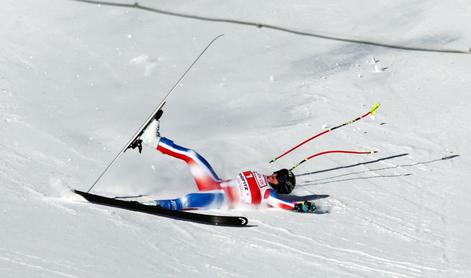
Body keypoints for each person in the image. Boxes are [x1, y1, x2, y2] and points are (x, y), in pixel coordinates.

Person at [135, 114, 316, 213]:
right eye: (279, 172)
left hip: (219, 199)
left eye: (280, 177)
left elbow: (281, 204)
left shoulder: (269, 194)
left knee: (190, 199)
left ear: (282, 187)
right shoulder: (262, 177)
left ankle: (157, 206)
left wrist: (300, 207)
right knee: (193, 156)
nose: (275, 174)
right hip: (213, 183)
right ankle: (152, 140)